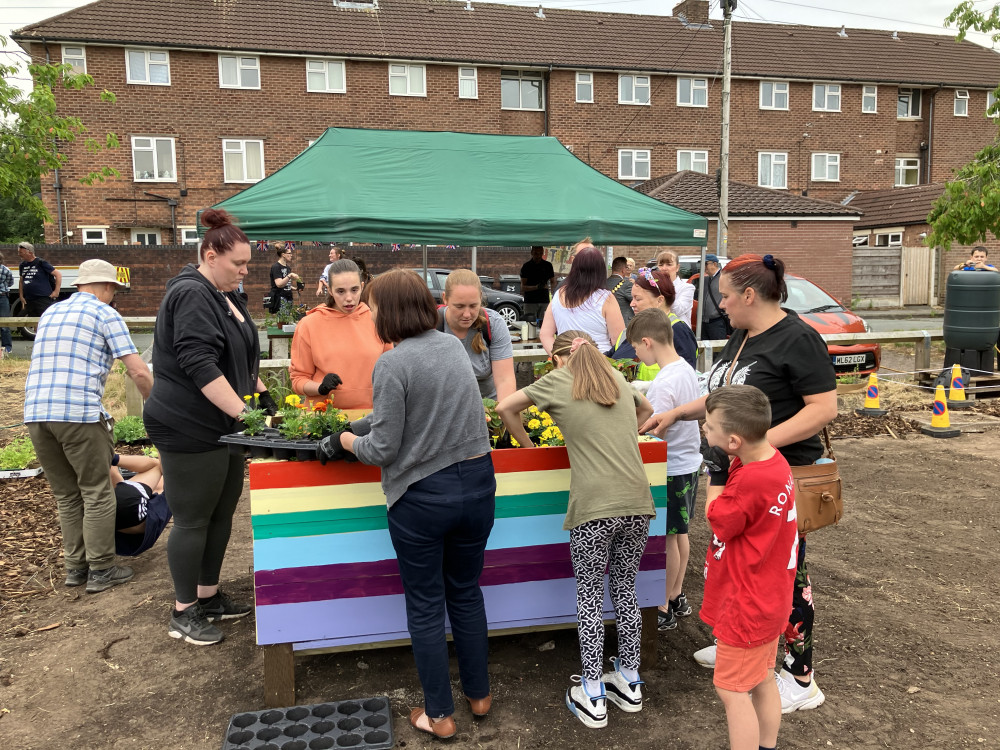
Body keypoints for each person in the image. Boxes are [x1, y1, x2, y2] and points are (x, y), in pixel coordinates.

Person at [639, 253, 837, 714]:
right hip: (738, 476)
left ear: (749, 295)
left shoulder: (798, 338)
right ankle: (744, 647)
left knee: (786, 575)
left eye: (725, 295)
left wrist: (758, 445)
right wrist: (679, 412)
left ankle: (801, 675)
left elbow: (823, 409)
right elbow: (723, 395)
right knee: (738, 565)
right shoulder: (743, 336)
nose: (720, 304)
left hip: (773, 479)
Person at [317, 269, 495, 739]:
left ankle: (439, 716)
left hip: (423, 500)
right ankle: (479, 696)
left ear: (389, 311)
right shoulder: (451, 347)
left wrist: (345, 441)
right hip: (478, 489)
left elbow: (383, 451)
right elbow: (410, 410)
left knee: (425, 604)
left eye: (372, 307)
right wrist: (365, 425)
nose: (368, 313)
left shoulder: (392, 363)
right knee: (466, 591)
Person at [497, 330, 655, 729]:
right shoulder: (615, 378)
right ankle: (630, 681)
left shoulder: (557, 380)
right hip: (637, 502)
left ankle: (592, 690)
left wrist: (530, 448)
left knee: (588, 596)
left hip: (593, 507)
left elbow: (504, 408)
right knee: (625, 589)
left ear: (558, 359)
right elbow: (646, 409)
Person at [144, 208, 277, 646]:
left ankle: (208, 595)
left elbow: (239, 360)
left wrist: (263, 396)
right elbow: (199, 364)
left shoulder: (225, 295)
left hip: (222, 426)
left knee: (220, 513)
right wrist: (247, 414)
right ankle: (183, 611)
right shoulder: (191, 293)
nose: (243, 272)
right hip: (187, 424)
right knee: (193, 517)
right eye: (237, 264)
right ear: (209, 254)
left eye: (247, 265)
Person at [24, 259, 153, 594]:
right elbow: (138, 371)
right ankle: (101, 569)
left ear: (80, 284)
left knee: (67, 495)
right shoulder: (105, 313)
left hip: (37, 414)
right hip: (79, 414)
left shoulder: (50, 313)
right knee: (96, 492)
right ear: (108, 288)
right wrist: (157, 409)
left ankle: (75, 568)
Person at [700, 385, 798, 750]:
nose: (705, 432)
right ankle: (766, 745)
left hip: (747, 603)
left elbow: (719, 518)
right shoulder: (772, 460)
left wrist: (715, 477)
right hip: (771, 595)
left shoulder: (750, 479)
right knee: (762, 678)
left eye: (709, 428)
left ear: (734, 440)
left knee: (731, 690)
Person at [626, 309, 701, 632]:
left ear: (647, 342)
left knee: (667, 539)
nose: (637, 355)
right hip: (690, 464)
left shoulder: (663, 385)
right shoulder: (683, 370)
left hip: (669, 469)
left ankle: (661, 605)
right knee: (680, 533)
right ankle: (677, 594)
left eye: (636, 349)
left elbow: (651, 433)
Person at [290, 258, 390, 409]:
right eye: (340, 291)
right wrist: (320, 388)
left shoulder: (378, 319)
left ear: (362, 287)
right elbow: (298, 380)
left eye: (354, 290)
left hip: (371, 418)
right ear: (329, 290)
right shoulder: (309, 324)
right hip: (323, 419)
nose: (348, 298)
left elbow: (391, 372)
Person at [439, 269, 515, 401]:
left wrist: (504, 414)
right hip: (446, 406)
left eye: (473, 306)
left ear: (480, 297)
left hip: (489, 406)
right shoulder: (432, 325)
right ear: (445, 298)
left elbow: (504, 380)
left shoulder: (493, 323)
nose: (467, 314)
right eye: (459, 306)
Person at [540, 244, 625, 355]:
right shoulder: (605, 297)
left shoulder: (559, 294)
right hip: (599, 361)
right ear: (600, 270)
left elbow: (545, 334)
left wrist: (559, 358)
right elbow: (619, 340)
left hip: (566, 365)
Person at [626, 267, 698, 371]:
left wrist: (647, 386)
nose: (632, 304)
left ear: (660, 300)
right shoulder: (636, 328)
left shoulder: (678, 331)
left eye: (638, 299)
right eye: (632, 298)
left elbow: (685, 376)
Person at [110, 453, 172, 557]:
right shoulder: (167, 491)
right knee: (157, 466)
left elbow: (114, 477)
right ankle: (111, 457)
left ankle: (111, 457)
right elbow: (163, 466)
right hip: (126, 515)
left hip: (93, 512)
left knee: (156, 466)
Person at [17, 241, 62, 319]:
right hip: (29, 298)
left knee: (46, 318)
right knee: (32, 319)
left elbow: (58, 274)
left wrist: (56, 292)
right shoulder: (22, 265)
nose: (19, 255)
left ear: (30, 253)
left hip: (42, 298)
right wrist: (21, 296)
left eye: (21, 253)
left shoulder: (41, 263)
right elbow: (21, 281)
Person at [657, 250, 695, 326]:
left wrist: (664, 288)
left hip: (678, 332)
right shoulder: (654, 286)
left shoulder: (687, 288)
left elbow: (677, 310)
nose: (664, 268)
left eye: (669, 264)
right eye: (661, 265)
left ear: (677, 267)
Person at [519, 245, 556, 322]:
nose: (538, 256)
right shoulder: (527, 266)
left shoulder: (548, 265)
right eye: (536, 253)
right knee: (530, 324)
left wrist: (550, 290)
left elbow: (553, 282)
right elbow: (523, 287)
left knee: (544, 324)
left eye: (540, 253)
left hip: (544, 300)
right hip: (530, 301)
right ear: (531, 253)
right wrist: (536, 287)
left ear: (543, 253)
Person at [699, 254, 729, 340]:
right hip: (704, 322)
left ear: (715, 264)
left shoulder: (724, 278)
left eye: (706, 264)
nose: (704, 267)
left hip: (717, 321)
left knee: (716, 350)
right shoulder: (706, 280)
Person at [269, 242, 301, 313]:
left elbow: (286, 284)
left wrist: (295, 289)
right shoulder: (276, 267)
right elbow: (279, 284)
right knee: (282, 320)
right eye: (289, 253)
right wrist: (290, 275)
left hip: (288, 296)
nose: (291, 255)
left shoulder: (288, 267)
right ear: (283, 255)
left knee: (287, 319)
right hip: (280, 297)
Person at [606, 256, 635, 326]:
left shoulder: (603, 283)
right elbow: (635, 300)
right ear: (623, 270)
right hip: (624, 322)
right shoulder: (626, 284)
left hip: (607, 321)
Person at [0, 252, 13, 357]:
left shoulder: (5, 270)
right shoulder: (6, 269)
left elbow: (10, 282)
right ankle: (7, 348)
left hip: (2, 297)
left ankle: (7, 348)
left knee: (5, 323)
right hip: (3, 296)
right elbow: (10, 282)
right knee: (5, 324)